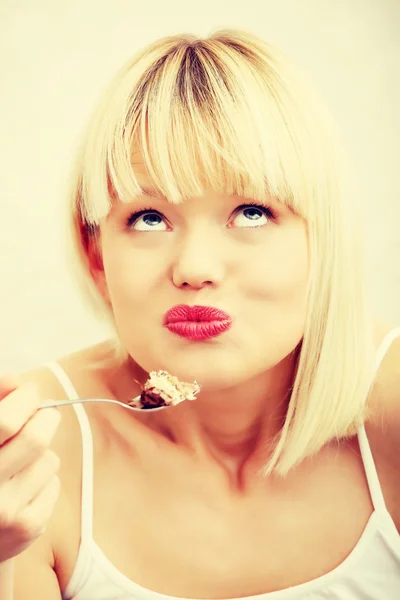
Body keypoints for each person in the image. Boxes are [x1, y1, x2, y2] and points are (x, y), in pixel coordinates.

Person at [0, 28, 399, 600]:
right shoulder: (35, 459)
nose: (195, 267)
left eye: (252, 212)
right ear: (97, 259)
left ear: (324, 241)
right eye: (149, 219)